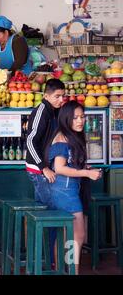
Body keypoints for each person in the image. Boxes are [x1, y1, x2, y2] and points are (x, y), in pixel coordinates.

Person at [46, 101, 102, 274]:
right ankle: (71, 272)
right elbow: (60, 168)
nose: (80, 121)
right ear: (66, 119)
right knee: (78, 234)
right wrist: (86, 174)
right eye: (75, 117)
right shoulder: (62, 139)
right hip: (64, 193)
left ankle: (65, 271)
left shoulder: (70, 136)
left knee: (66, 234)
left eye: (82, 117)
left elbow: (69, 164)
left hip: (65, 191)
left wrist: (85, 169)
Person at [26, 79, 65, 205]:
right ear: (46, 96)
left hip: (46, 167)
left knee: (42, 209)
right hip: (39, 170)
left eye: (63, 96)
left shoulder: (54, 110)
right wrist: (44, 168)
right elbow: (31, 141)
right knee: (50, 208)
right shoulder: (41, 112)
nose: (61, 100)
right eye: (57, 96)